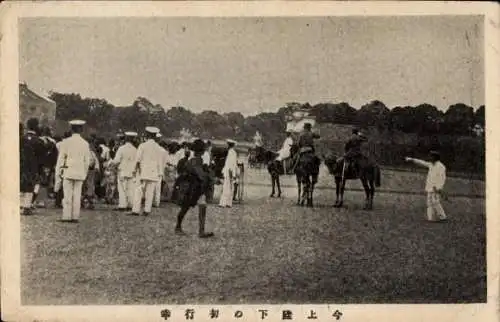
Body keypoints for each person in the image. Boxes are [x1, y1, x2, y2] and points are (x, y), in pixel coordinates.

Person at [174, 139, 214, 238]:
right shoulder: (195, 161)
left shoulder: (193, 160)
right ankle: (179, 227)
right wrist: (211, 178)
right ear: (202, 151)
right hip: (191, 189)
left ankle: (198, 230)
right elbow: (201, 175)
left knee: (194, 207)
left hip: (193, 188)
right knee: (187, 207)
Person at [54, 120, 91, 223]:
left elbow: (61, 159)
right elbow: (87, 161)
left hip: (68, 171)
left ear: (71, 129)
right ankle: (75, 216)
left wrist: (59, 172)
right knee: (77, 194)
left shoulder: (66, 142)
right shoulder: (85, 143)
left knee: (67, 195)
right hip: (79, 172)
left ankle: (66, 216)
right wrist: (84, 173)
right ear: (81, 130)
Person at [405, 151, 448, 222]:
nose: (429, 158)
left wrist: (439, 187)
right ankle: (430, 218)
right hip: (430, 187)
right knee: (429, 203)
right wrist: (412, 159)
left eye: (431, 156)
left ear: (435, 157)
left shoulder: (441, 167)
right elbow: (422, 162)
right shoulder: (431, 164)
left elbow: (442, 178)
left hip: (436, 188)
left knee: (435, 202)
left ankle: (442, 216)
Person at [129, 126, 162, 216]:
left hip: (143, 171)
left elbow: (138, 160)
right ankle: (147, 210)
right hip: (153, 172)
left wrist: (134, 170)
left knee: (138, 191)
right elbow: (159, 162)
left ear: (147, 135)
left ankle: (136, 210)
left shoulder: (142, 146)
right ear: (155, 136)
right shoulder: (158, 148)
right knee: (150, 193)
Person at [20, 118, 45, 215]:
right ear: (36, 126)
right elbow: (41, 157)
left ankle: (19, 204)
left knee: (20, 183)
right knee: (30, 185)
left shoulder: (21, 138)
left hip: (21, 164)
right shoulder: (39, 141)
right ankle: (26, 206)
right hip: (33, 166)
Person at [109, 131, 138, 211]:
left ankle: (122, 205)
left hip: (122, 171)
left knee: (122, 189)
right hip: (132, 171)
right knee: (130, 189)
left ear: (126, 139)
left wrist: (112, 164)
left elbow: (117, 160)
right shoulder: (135, 149)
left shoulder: (121, 149)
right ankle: (130, 204)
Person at [219, 139, 238, 208]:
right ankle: (227, 203)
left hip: (228, 171)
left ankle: (224, 203)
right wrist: (233, 174)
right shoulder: (233, 153)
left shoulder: (230, 152)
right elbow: (233, 164)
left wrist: (231, 173)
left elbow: (230, 164)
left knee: (226, 187)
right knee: (229, 187)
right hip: (230, 171)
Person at [153, 132, 169, 207]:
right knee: (157, 187)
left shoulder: (153, 149)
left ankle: (150, 200)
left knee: (151, 186)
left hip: (153, 169)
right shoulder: (163, 151)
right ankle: (156, 202)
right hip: (159, 170)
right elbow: (165, 162)